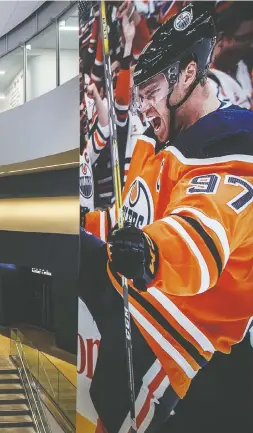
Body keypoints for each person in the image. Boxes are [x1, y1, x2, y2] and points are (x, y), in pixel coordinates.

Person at [80, 4, 253, 432]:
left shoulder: (233, 142)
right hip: (135, 304)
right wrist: (88, 225)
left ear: (189, 75)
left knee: (121, 416)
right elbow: (130, 221)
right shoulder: (153, 140)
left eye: (151, 90)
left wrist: (151, 251)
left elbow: (202, 233)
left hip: (180, 337)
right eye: (139, 95)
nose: (143, 107)